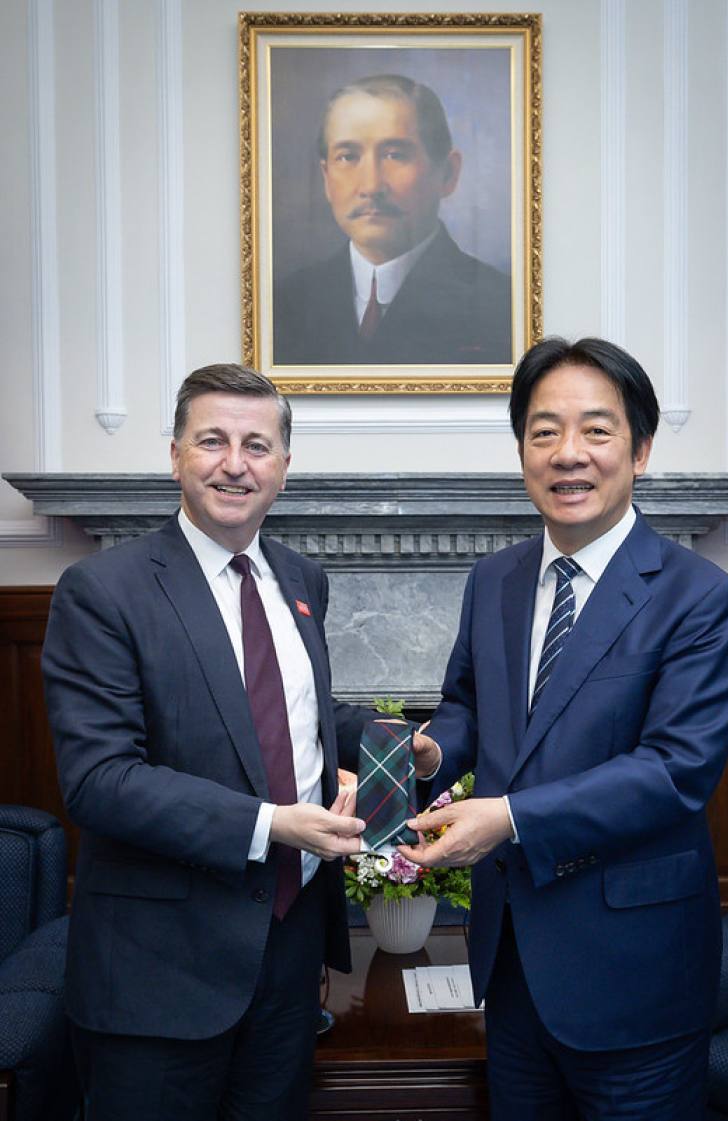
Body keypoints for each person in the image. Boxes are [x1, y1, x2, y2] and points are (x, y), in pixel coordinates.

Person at [41, 364, 410, 1120]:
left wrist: (405, 745)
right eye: (212, 440)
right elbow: (100, 780)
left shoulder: (302, 578)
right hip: (158, 974)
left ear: (283, 468)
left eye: (256, 444)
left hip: (288, 958)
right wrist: (271, 823)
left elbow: (294, 714)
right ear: (175, 454)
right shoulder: (104, 590)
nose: (234, 463)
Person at [400, 337, 728, 1120]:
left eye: (597, 430)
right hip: (515, 963)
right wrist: (432, 748)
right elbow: (468, 706)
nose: (569, 454)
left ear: (641, 449)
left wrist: (510, 817)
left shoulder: (701, 598)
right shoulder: (494, 577)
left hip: (637, 975)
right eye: (544, 430)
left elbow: (673, 771)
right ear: (522, 449)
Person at [273, 73, 512, 366]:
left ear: (448, 174)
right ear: (326, 178)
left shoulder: (500, 305)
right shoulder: (284, 304)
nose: (371, 186)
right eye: (348, 157)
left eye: (395, 155)